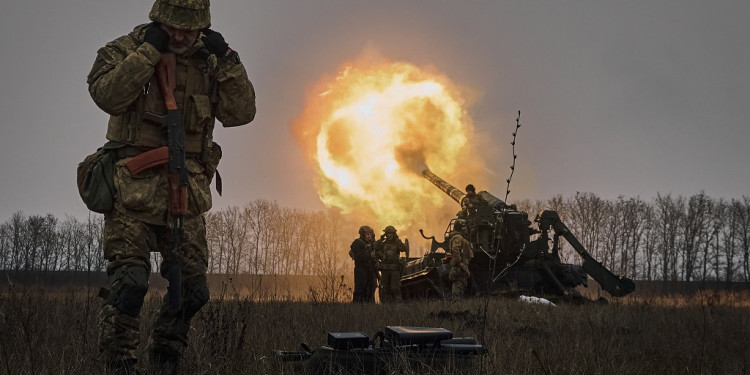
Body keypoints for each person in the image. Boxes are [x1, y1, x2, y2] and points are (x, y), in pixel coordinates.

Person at [86, 0, 256, 373]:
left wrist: (228, 58)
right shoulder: (127, 49)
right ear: (159, 20)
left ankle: (165, 355)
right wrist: (148, 52)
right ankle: (119, 363)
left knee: (192, 290)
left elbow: (241, 113)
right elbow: (107, 95)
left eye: (189, 29)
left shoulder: (211, 61)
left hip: (186, 191)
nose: (180, 35)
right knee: (129, 285)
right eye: (174, 27)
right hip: (132, 191)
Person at [374, 226, 408, 303]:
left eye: (391, 234)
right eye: (387, 234)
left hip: (394, 269)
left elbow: (404, 248)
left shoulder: (397, 243)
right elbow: (375, 248)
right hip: (385, 268)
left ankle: (397, 304)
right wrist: (380, 240)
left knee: (395, 288)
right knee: (384, 288)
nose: (389, 235)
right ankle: (386, 304)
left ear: (394, 234)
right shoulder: (383, 243)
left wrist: (398, 241)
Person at [349, 226, 377, 303]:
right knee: (360, 289)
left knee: (372, 288)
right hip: (361, 269)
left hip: (371, 269)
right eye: (367, 234)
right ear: (362, 235)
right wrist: (369, 256)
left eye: (370, 234)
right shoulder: (357, 243)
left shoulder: (373, 244)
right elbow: (358, 257)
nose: (369, 236)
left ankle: (370, 306)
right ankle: (358, 306)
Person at [449, 220, 474, 298]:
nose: (466, 229)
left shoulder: (460, 237)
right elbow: (455, 251)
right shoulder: (458, 238)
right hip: (459, 268)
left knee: (461, 286)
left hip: (461, 268)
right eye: (464, 227)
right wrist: (461, 264)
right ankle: (456, 306)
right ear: (461, 228)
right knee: (458, 288)